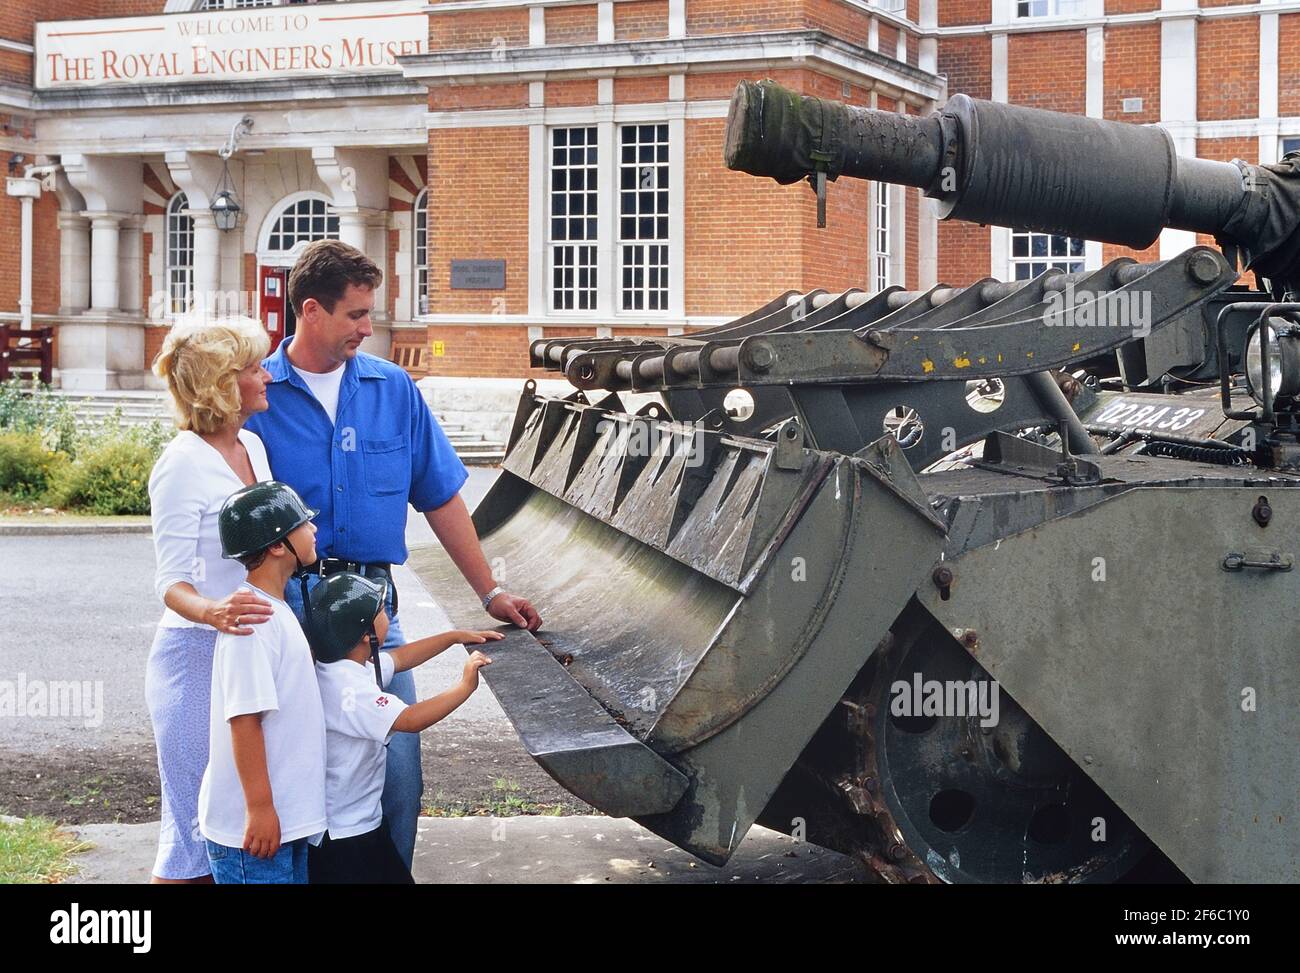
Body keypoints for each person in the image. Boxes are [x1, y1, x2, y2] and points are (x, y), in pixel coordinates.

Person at [244, 239, 542, 868]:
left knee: (398, 767)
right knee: (293, 761)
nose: (367, 328)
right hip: (290, 612)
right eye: (355, 315)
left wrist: (490, 593)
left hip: (374, 614)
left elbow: (441, 498)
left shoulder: (393, 390)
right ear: (310, 311)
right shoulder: (259, 397)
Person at [145, 314, 277, 884]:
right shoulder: (180, 464)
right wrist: (214, 611)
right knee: (192, 837)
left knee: (235, 828)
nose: (266, 375)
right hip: (195, 659)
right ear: (223, 385)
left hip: (251, 652)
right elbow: (170, 582)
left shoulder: (252, 445)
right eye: (253, 367)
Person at [304, 572, 502, 883]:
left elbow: (401, 657)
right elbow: (410, 719)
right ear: (364, 631)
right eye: (381, 609)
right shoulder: (351, 690)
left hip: (356, 824)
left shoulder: (345, 666)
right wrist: (465, 685)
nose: (388, 613)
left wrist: (453, 637)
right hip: (345, 836)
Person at [198, 481, 327, 885]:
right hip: (255, 831)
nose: (314, 529)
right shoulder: (253, 620)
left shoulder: (276, 607)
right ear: (276, 544)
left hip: (284, 821)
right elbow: (244, 719)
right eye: (304, 522)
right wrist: (259, 808)